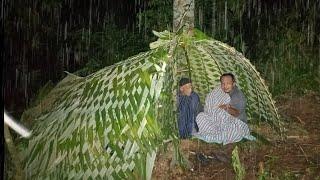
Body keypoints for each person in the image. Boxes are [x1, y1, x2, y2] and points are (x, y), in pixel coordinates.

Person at [194, 73, 254, 145]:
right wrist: (212, 109)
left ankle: (220, 134)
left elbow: (237, 113)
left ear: (233, 84)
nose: (225, 86)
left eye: (228, 83)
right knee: (201, 116)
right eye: (223, 84)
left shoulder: (237, 95)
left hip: (236, 122)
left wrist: (226, 107)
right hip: (218, 121)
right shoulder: (219, 91)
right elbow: (211, 101)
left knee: (231, 128)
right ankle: (214, 131)